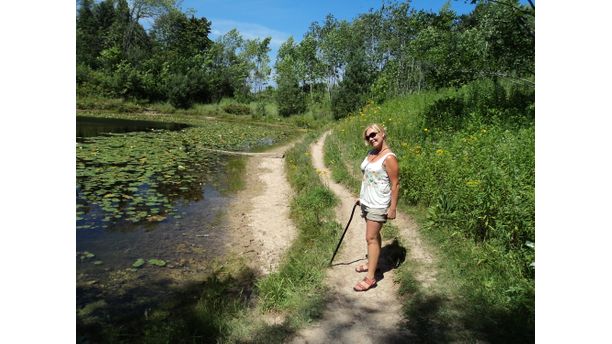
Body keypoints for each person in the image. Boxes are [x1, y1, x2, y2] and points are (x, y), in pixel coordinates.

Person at [353, 123, 399, 292]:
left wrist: (392, 208)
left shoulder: (389, 158)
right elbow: (368, 177)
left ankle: (371, 278)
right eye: (368, 136)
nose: (371, 138)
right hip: (367, 202)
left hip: (378, 204)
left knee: (370, 238)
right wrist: (362, 197)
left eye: (373, 134)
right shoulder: (371, 153)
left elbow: (395, 184)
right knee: (374, 236)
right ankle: (374, 263)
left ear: (382, 133)